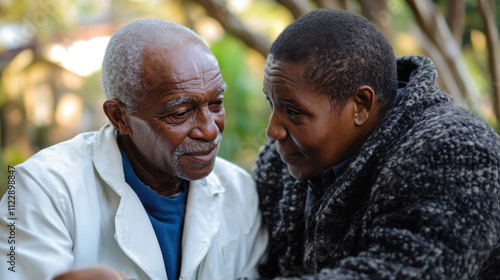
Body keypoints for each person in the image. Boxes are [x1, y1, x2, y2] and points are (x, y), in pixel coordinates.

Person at [0, 19, 268, 280]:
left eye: (216, 103)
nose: (209, 130)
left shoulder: (240, 192)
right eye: (181, 112)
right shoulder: (40, 189)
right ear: (120, 117)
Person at [254, 8, 500, 280]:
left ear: (361, 105)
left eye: (293, 111)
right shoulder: (279, 164)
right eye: (271, 103)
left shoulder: (456, 152)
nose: (273, 130)